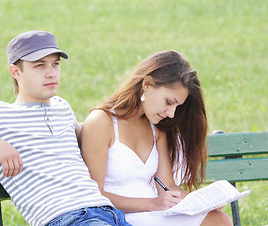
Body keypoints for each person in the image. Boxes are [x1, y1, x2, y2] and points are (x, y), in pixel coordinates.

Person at [0, 31, 132, 226]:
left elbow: (91, 135)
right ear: (15, 72)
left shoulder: (61, 107)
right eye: (39, 65)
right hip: (67, 218)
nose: (51, 73)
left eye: (55, 64)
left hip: (109, 213)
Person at [80, 50, 233, 226]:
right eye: (169, 102)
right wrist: (152, 204)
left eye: (177, 106)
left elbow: (168, 186)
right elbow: (94, 195)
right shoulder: (102, 121)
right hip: (119, 216)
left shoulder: (156, 129)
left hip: (156, 213)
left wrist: (204, 204)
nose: (171, 113)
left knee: (220, 220)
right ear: (147, 85)